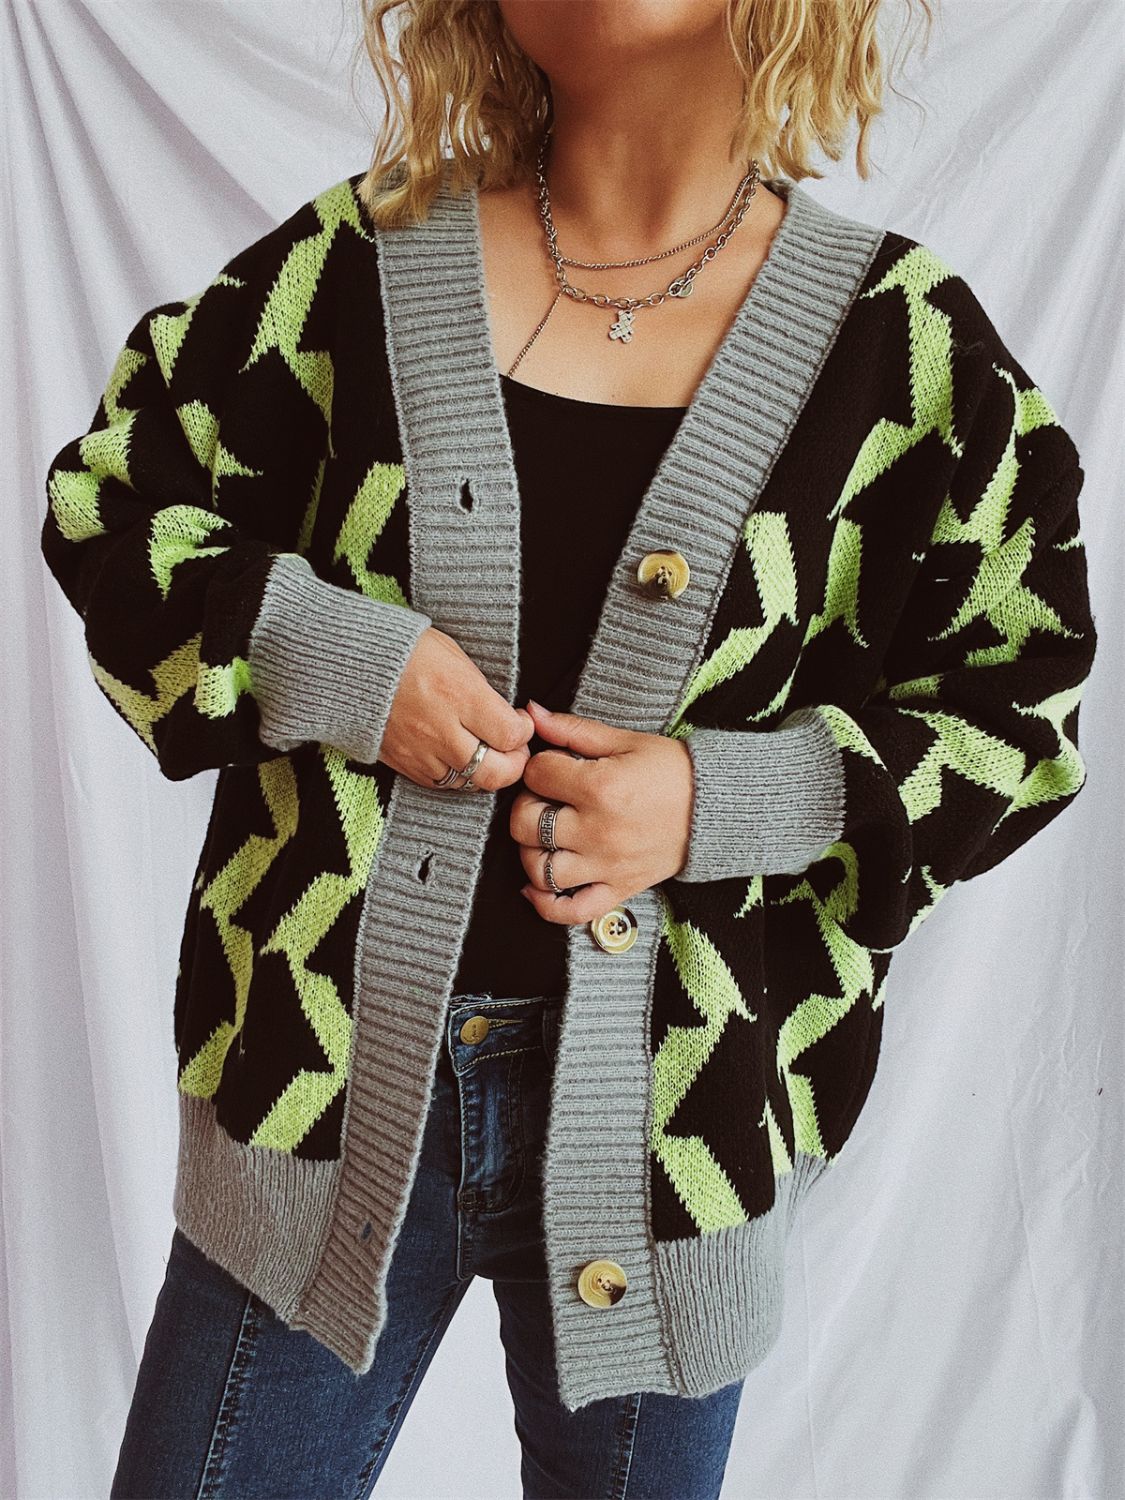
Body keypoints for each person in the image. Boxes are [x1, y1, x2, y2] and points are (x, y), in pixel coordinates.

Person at [39, 1, 1098, 1496]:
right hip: (319, 1093)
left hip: (679, 1141)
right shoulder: (355, 269)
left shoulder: (906, 353)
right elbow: (113, 506)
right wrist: (345, 661)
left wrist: (717, 799)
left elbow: (1021, 707)